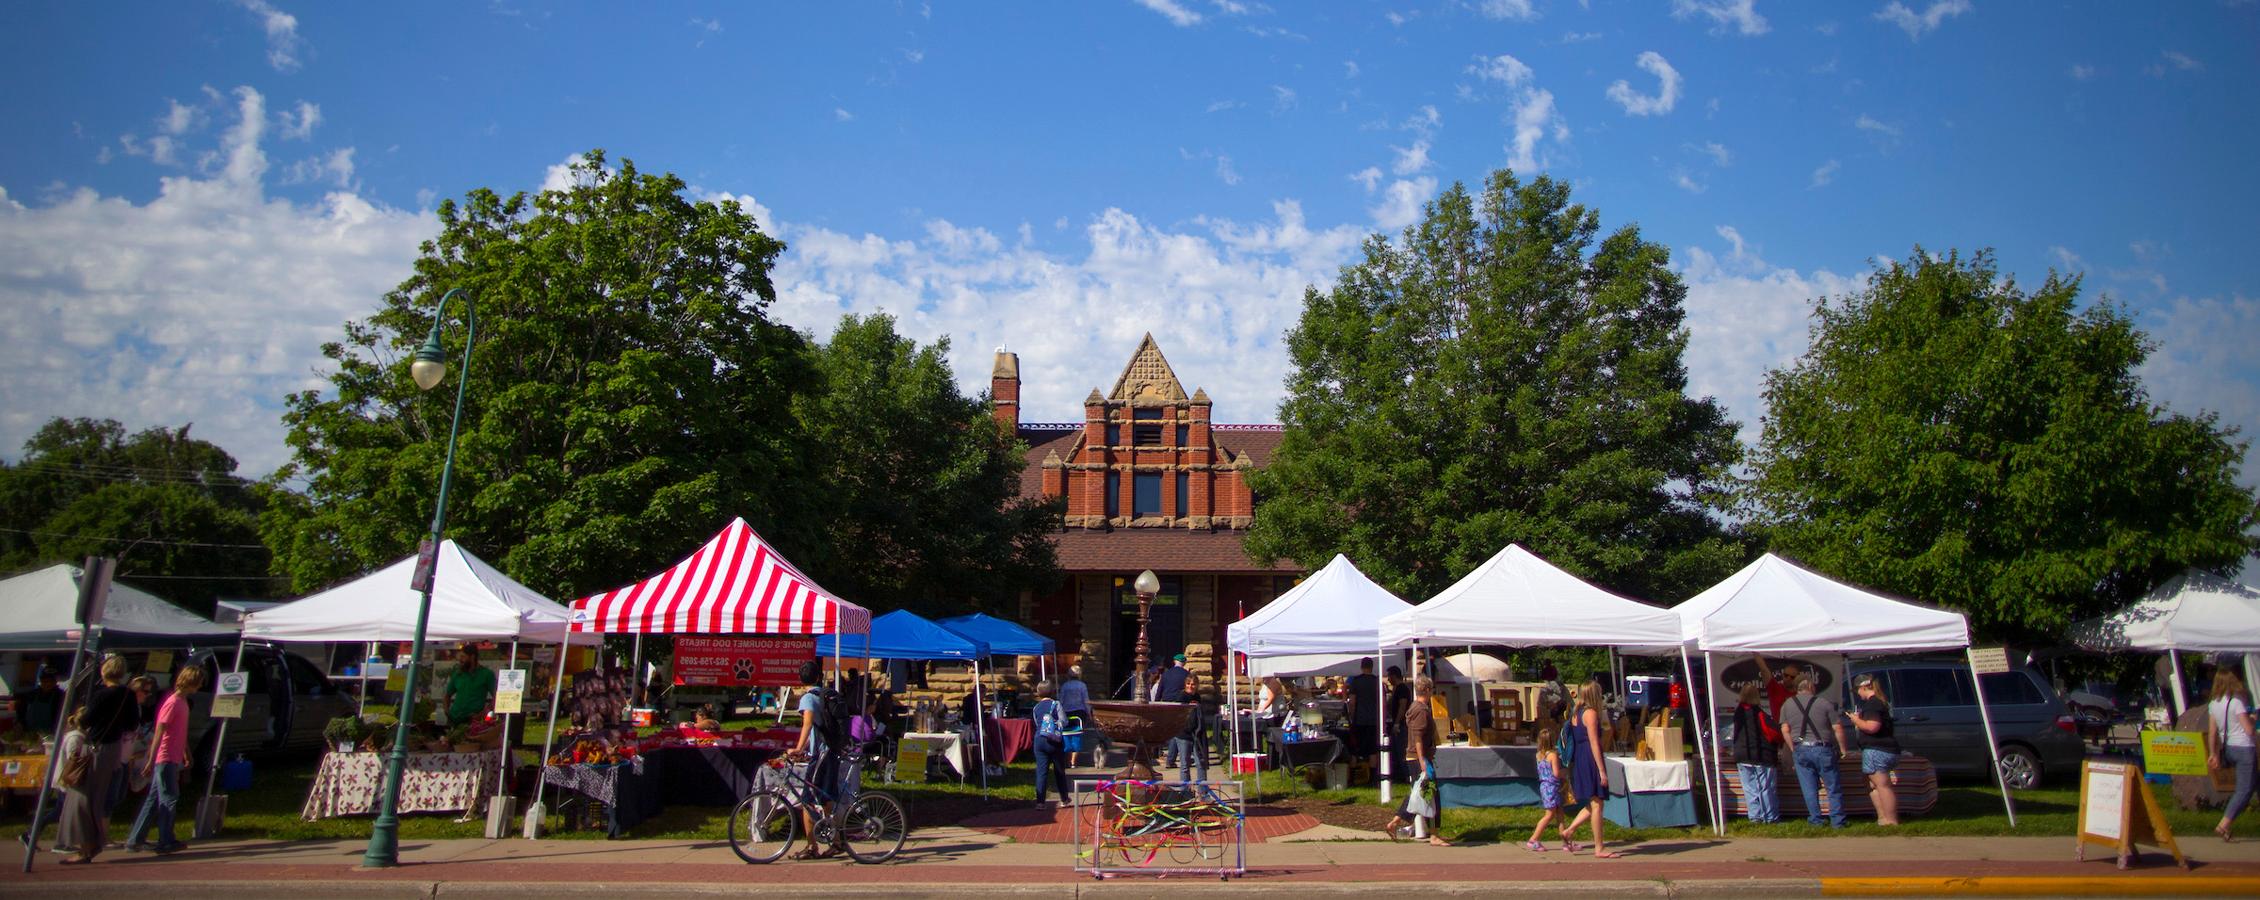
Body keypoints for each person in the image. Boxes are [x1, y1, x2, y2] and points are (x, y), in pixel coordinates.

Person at [127, 664, 201, 855]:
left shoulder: (182, 702)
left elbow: (180, 731)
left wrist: (187, 752)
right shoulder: (173, 702)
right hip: (165, 756)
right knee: (169, 797)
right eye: (197, 683)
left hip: (173, 755)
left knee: (153, 798)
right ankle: (165, 839)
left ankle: (136, 839)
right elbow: (160, 730)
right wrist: (151, 759)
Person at [1380, 676, 1450, 846]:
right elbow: (1417, 738)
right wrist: (1422, 762)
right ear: (1426, 690)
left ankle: (1395, 823)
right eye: (1431, 690)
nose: (1432, 692)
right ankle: (1434, 835)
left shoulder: (1416, 708)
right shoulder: (1420, 710)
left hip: (1416, 758)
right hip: (1419, 759)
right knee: (1431, 795)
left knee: (1418, 794)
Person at [787, 660, 842, 859]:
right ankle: (837, 842)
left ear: (801, 680)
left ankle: (812, 847)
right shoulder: (825, 694)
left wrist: (798, 748)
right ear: (819, 677)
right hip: (832, 751)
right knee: (826, 798)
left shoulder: (808, 698)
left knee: (807, 800)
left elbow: (808, 723)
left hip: (821, 753)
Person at [1779, 673, 1849, 828]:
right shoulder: (1824, 703)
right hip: (1822, 748)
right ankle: (1837, 821)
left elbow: (1785, 729)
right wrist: (1843, 749)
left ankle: (1816, 819)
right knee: (1833, 787)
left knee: (1809, 788)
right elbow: (1837, 727)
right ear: (1810, 685)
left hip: (1801, 749)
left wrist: (1793, 748)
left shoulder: (1787, 704)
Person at [1556, 681, 1617, 857]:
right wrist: (1602, 770)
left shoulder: (1576, 713)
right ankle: (1599, 847)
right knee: (1597, 803)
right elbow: (1594, 742)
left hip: (1580, 758)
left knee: (1594, 801)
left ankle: (1569, 831)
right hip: (1590, 758)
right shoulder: (1590, 713)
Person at [2206, 668, 2256, 842]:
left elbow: (2212, 732)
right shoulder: (2237, 703)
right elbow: (2249, 730)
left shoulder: (2214, 704)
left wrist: (2213, 753)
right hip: (2244, 748)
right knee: (2244, 790)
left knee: (2253, 783)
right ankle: (2224, 824)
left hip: (2228, 748)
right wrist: (2252, 718)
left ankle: (2226, 825)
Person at [1845, 673, 1899, 826]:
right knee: (1872, 784)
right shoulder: (1879, 702)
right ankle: (1882, 818)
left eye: (1858, 690)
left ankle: (1891, 820)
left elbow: (1873, 727)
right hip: (1882, 749)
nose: (1858, 694)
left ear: (1863, 687)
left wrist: (1857, 720)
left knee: (1882, 785)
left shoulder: (1873, 704)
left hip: (1877, 749)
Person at [53, 707, 102, 864]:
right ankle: (79, 847)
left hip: (77, 782)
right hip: (72, 782)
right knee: (73, 815)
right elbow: (72, 760)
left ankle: (85, 847)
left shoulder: (83, 737)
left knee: (74, 814)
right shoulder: (76, 738)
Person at [1731, 682, 1782, 824]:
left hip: (1742, 755)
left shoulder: (1738, 713)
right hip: (1761, 755)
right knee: (1765, 788)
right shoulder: (1760, 714)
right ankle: (1770, 817)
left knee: (1750, 789)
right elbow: (1774, 734)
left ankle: (1755, 817)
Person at [1524, 724, 1572, 852]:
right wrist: (1566, 771)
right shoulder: (1553, 755)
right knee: (1549, 815)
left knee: (1560, 814)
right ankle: (1533, 839)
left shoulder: (1539, 755)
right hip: (1553, 787)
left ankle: (1566, 842)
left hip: (1544, 786)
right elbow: (1556, 773)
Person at [1031, 681, 1071, 807]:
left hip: (1039, 740)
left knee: (1041, 772)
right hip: (1054, 741)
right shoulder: (1056, 704)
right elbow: (1064, 721)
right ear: (1052, 691)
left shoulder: (1036, 707)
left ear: (1038, 693)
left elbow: (1037, 724)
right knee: (1059, 770)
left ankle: (1040, 802)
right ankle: (1064, 799)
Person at [442, 646, 496, 729]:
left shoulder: (487, 674)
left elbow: (496, 698)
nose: (460, 660)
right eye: (460, 657)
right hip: (454, 718)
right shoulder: (458, 675)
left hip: (473, 720)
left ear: (472, 657)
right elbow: (447, 695)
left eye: (463, 657)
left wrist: (484, 714)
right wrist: (447, 711)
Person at [1348, 658, 1381, 771]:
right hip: (1374, 719)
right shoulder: (1377, 681)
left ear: (1361, 667)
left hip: (1359, 719)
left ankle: (1353, 774)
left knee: (1355, 748)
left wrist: (1351, 717)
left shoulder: (1356, 681)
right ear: (1372, 667)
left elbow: (1352, 701)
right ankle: (1372, 776)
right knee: (1372, 749)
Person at [11, 667, 64, 734]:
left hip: (50, 734)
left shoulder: (61, 696)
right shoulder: (31, 695)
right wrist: (19, 723)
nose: (48, 684)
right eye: (45, 681)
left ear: (55, 682)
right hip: (29, 733)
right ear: (41, 681)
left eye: (51, 681)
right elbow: (21, 712)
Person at [1059, 665, 1092, 765]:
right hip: (1079, 713)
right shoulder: (1082, 685)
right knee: (1077, 735)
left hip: (1066, 712)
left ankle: (1067, 757)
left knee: (1066, 734)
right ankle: (1073, 760)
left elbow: (1061, 700)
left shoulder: (1065, 686)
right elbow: (1086, 700)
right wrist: (1089, 712)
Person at [1384, 666, 1411, 784]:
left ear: (1394, 676)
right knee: (1395, 751)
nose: (1388, 679)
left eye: (1389, 676)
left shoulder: (1402, 689)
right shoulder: (1396, 688)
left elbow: (1402, 706)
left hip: (1401, 725)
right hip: (1397, 723)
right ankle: (1400, 776)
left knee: (1401, 751)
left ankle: (1406, 776)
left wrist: (1397, 723)